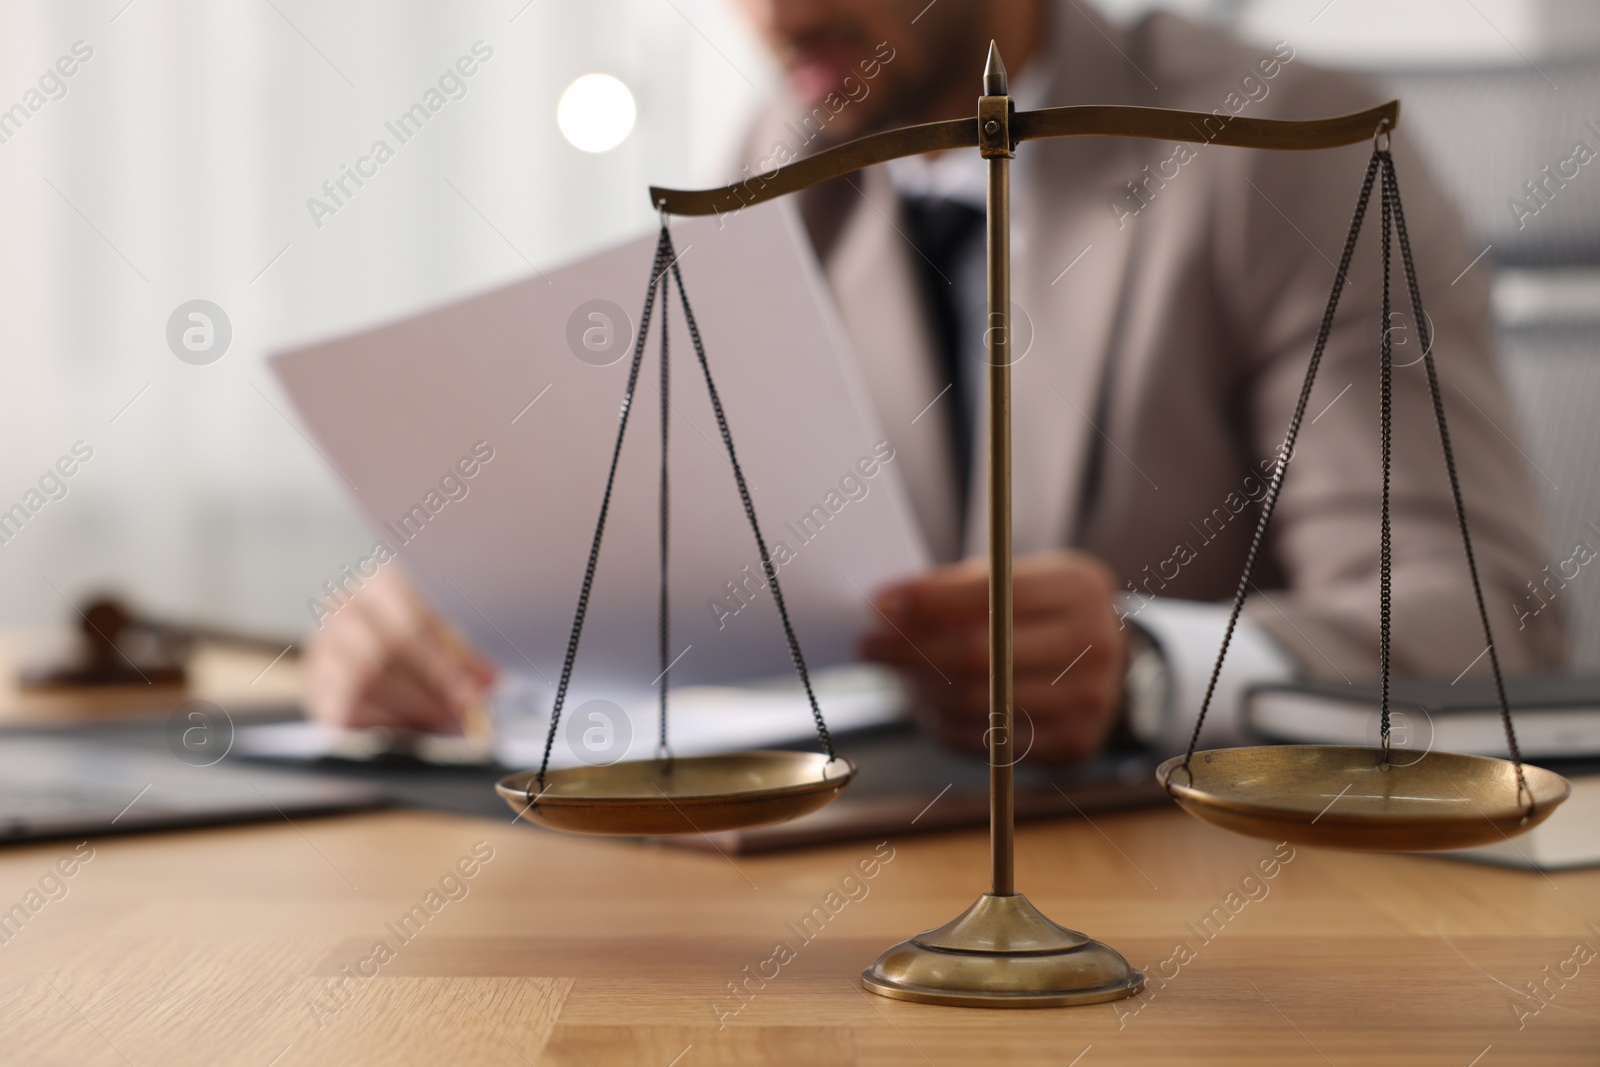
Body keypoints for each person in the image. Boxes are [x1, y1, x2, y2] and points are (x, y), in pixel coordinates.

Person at [304, 0, 1563, 762]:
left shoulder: (1283, 148)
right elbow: (679, 554)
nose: (771, 13)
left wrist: (1145, 667)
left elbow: (1486, 628)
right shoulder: (788, 157)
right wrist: (464, 624)